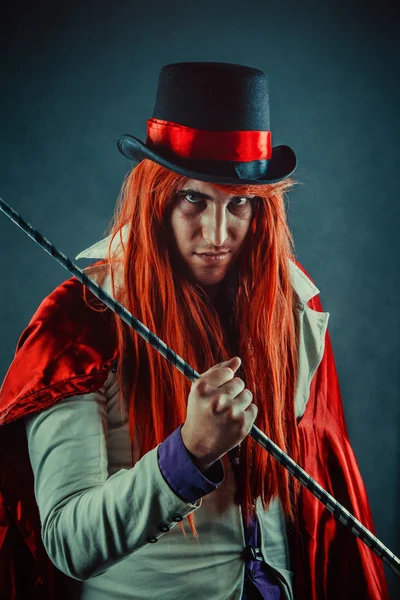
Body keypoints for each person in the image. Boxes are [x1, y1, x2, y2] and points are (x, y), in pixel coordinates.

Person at [0, 62, 389, 599]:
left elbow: (324, 501)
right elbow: (68, 541)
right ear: (155, 195)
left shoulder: (292, 305)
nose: (217, 234)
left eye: (240, 205)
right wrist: (189, 451)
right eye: (193, 199)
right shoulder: (83, 320)